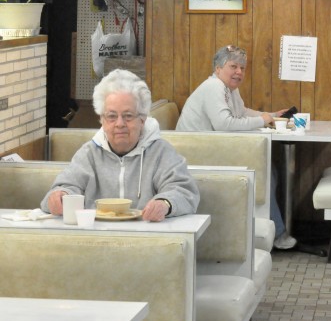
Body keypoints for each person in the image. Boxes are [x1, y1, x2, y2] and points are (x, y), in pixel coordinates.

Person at [176, 45, 297, 250]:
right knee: (264, 172)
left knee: (270, 170)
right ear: (218, 69)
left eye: (242, 68)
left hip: (211, 149)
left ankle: (270, 230)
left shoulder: (228, 89)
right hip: (195, 156)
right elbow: (225, 124)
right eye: (233, 66)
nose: (239, 72)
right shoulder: (213, 87)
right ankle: (276, 234)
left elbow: (241, 112)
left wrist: (271, 116)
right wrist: (263, 120)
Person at [41, 69, 200, 222]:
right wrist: (60, 196)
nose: (119, 124)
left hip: (147, 235)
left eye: (128, 116)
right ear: (102, 120)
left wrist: (165, 203)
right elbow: (64, 187)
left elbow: (184, 191)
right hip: (96, 236)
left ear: (142, 120)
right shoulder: (89, 153)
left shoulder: (161, 152)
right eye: (111, 116)